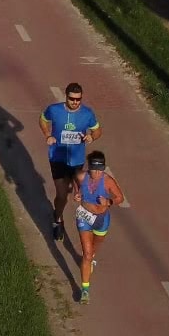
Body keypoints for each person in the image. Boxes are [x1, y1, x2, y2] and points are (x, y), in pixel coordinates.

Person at [40, 83, 102, 242]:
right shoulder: (54, 110)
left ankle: (89, 224)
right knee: (61, 195)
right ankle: (57, 218)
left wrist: (91, 137)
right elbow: (42, 119)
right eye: (72, 99)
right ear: (66, 97)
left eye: (78, 99)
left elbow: (97, 130)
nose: (75, 102)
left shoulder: (87, 113)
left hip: (77, 159)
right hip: (57, 157)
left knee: (80, 193)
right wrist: (48, 135)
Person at [72, 151, 127, 303]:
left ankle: (91, 258)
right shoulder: (82, 176)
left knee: (94, 249)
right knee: (87, 254)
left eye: (100, 169)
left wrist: (108, 202)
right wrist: (77, 193)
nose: (97, 173)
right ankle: (85, 290)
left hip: (102, 220)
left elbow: (120, 198)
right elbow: (75, 180)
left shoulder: (108, 181)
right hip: (84, 217)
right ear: (89, 168)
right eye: (94, 169)